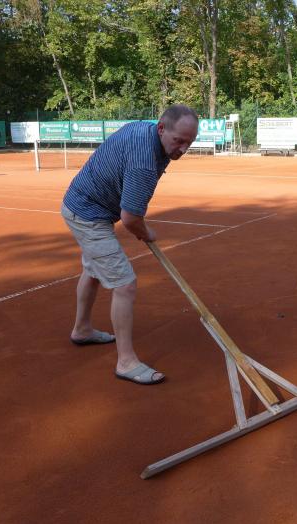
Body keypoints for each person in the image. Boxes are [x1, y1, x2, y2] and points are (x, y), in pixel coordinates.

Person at [61, 105, 199, 385]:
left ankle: (82, 329)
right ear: (161, 128)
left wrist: (140, 226)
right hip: (88, 214)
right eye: (179, 141)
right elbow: (131, 218)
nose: (183, 149)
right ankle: (126, 362)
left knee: (94, 270)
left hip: (83, 203)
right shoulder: (144, 163)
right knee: (124, 285)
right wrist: (146, 233)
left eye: (189, 142)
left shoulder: (144, 130)